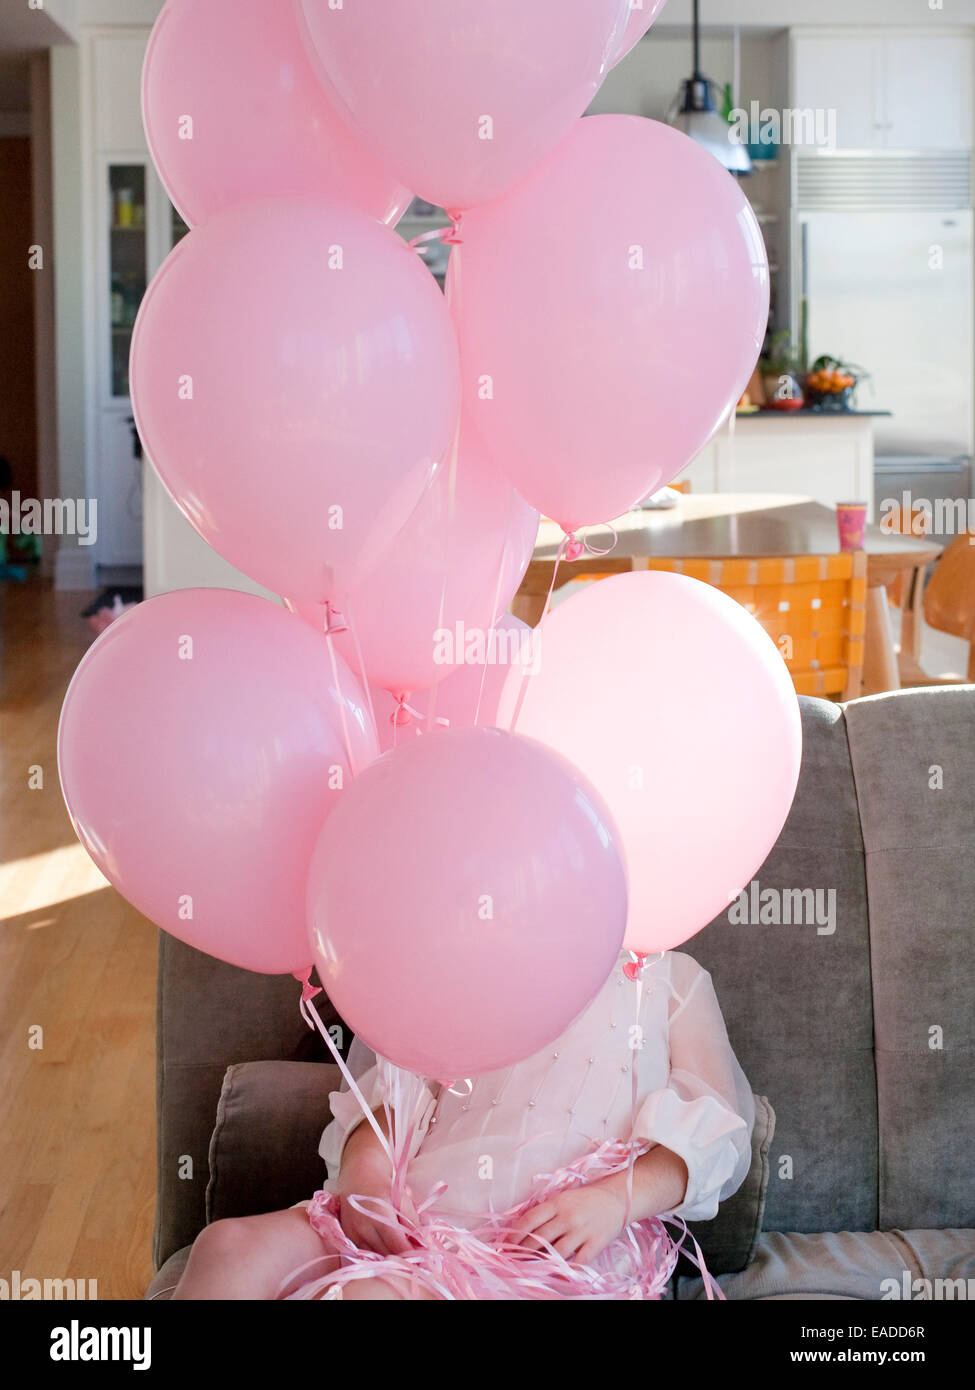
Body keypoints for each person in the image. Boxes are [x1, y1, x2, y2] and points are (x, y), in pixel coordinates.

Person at [171, 950, 753, 1300]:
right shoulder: (470, 964)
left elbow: (715, 1134)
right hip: (412, 1206)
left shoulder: (668, 979)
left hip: (542, 1247)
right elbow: (392, 1092)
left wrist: (614, 1200)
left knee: (367, 1297)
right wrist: (366, 1178)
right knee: (228, 1246)